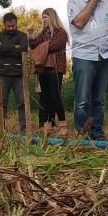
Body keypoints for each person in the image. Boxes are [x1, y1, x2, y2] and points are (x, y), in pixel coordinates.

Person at [67, 0, 108, 140]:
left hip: (105, 58)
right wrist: (92, 2)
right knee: (82, 100)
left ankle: (97, 133)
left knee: (100, 100)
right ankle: (82, 134)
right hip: (84, 57)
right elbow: (79, 23)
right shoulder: (73, 2)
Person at [30, 7, 69, 136]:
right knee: (44, 97)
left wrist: (39, 48)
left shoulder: (61, 32)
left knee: (55, 96)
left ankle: (63, 125)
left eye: (45, 16)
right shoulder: (42, 34)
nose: (43, 19)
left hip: (56, 68)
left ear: (52, 17)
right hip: (43, 69)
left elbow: (54, 46)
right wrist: (30, 34)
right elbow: (33, 45)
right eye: (42, 17)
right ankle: (48, 125)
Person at [0, 11, 29, 131]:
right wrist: (14, 47)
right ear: (4, 24)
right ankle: (0, 128)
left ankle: (24, 128)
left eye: (13, 26)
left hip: (19, 74)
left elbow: (23, 49)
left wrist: (5, 48)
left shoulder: (23, 36)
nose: (11, 28)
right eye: (8, 26)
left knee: (22, 102)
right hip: (2, 74)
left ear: (16, 23)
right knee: (1, 103)